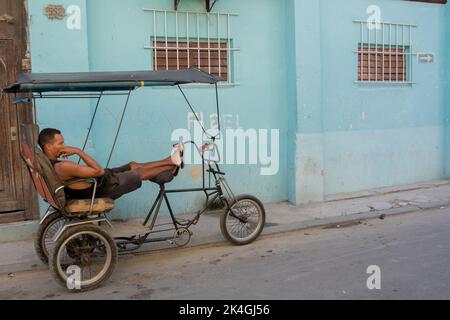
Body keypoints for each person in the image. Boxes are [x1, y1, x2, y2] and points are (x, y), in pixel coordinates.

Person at [37, 128, 183, 200]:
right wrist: (78, 151)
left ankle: (170, 161)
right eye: (60, 143)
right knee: (137, 173)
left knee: (132, 165)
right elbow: (99, 171)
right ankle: (172, 163)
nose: (64, 146)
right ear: (49, 146)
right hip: (101, 187)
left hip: (98, 182)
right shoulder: (62, 167)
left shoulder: (53, 163)